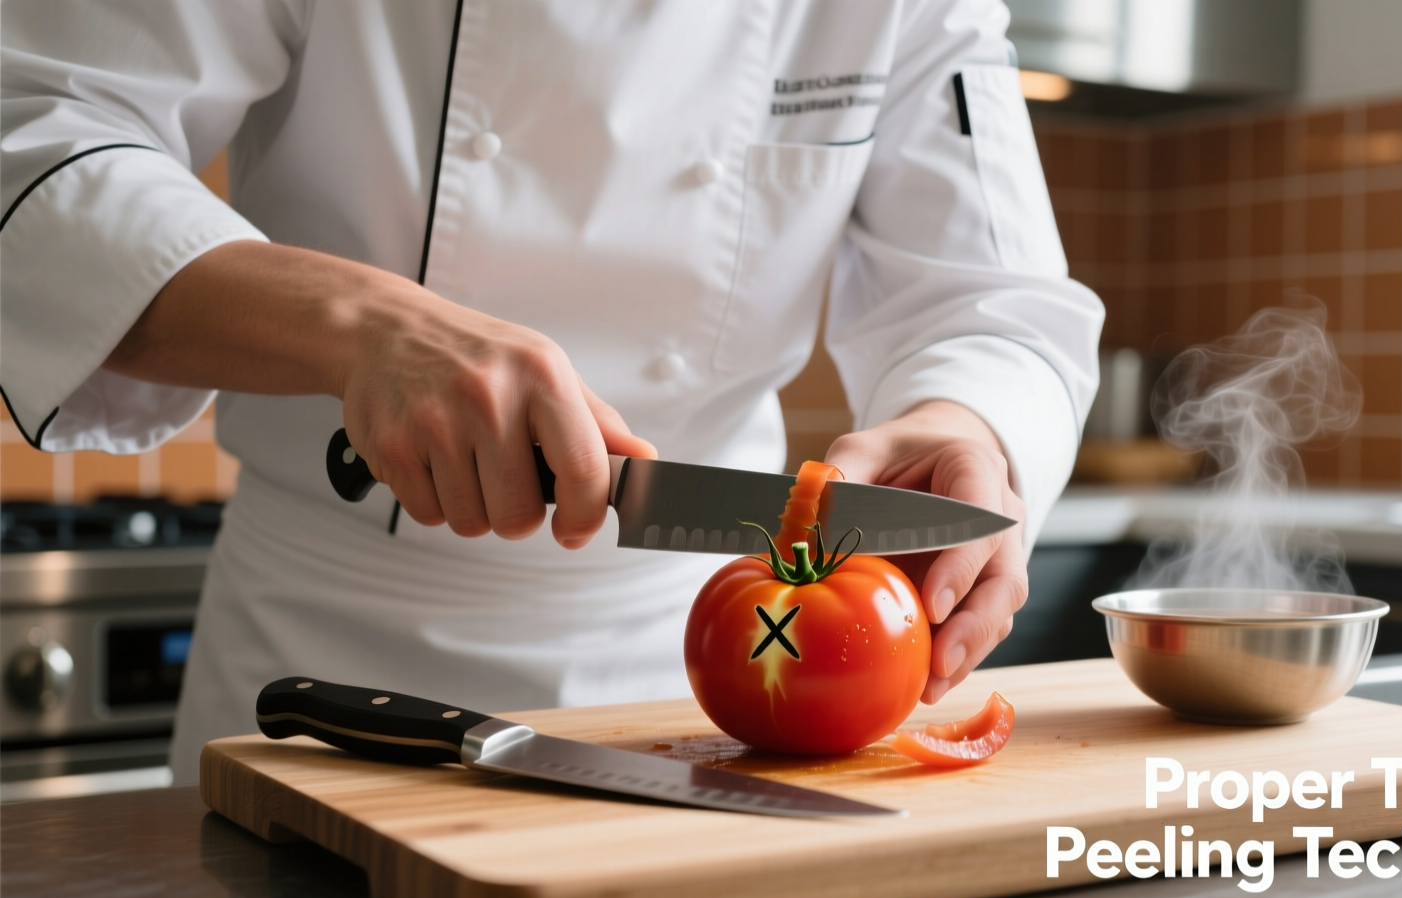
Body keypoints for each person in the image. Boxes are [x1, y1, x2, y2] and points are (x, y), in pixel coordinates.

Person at [0, 0, 1103, 785]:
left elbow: (994, 299)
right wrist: (359, 324)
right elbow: (35, 134)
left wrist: (967, 424)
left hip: (711, 692)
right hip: (329, 664)